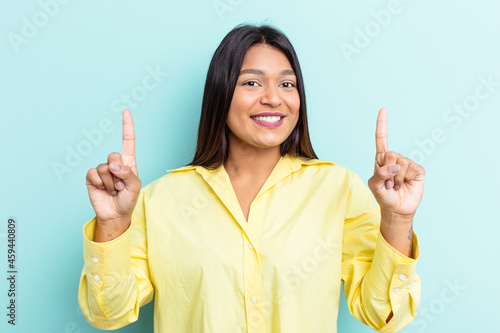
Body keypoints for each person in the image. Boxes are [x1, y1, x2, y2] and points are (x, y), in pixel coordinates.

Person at [78, 24, 424, 332]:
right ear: (221, 92)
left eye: (287, 83)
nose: (273, 98)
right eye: (251, 82)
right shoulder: (159, 200)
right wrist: (112, 224)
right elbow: (110, 314)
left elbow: (383, 315)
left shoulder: (339, 189)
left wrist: (397, 219)